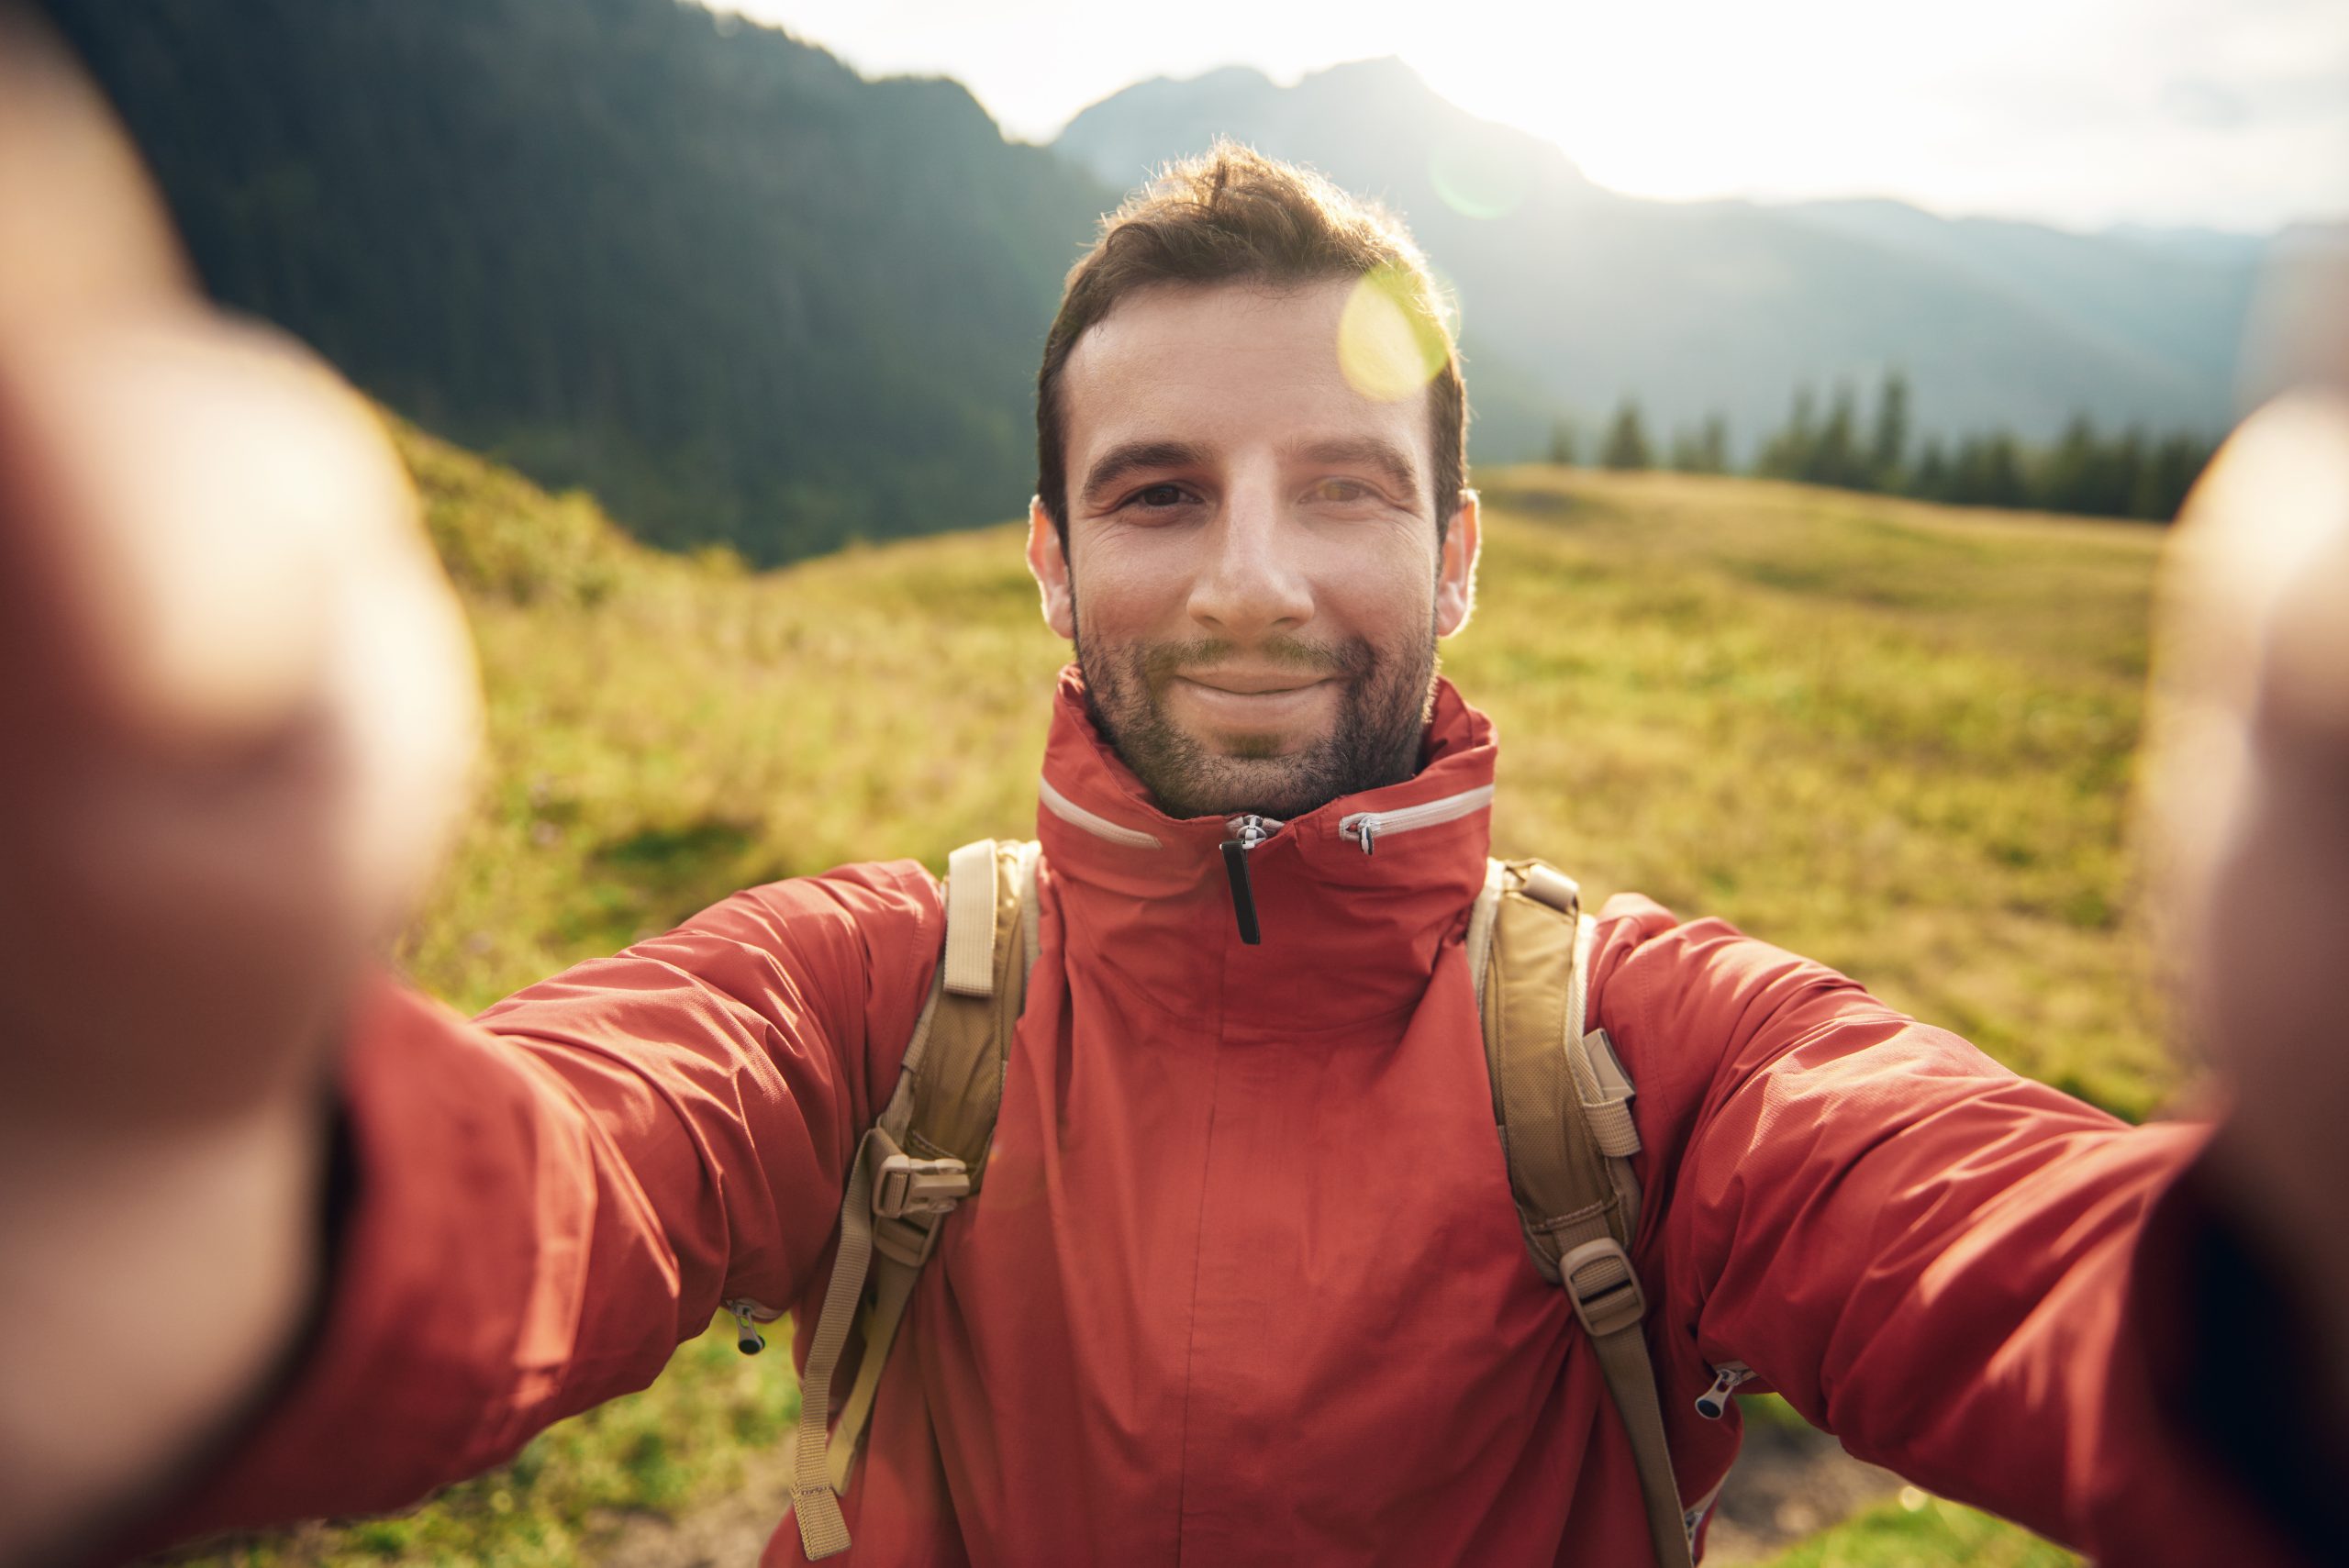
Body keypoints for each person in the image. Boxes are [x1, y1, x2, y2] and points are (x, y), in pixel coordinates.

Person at [4, 12, 2348, 1565]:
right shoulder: (872, 995)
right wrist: (210, 1186)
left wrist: (2295, 1318)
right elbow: (571, 1162)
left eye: (1338, 489)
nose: (1245, 582)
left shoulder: (1651, 1048)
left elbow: (1983, 1235)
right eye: (1151, 495)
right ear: (1045, 566)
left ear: (1450, 560)